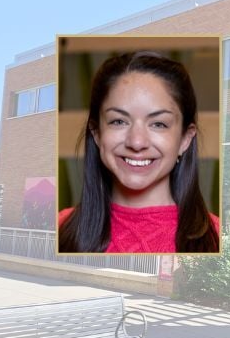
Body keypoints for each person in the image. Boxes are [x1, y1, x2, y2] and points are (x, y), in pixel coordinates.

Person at [58, 51, 219, 253]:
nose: (136, 142)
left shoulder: (219, 238)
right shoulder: (58, 228)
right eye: (118, 121)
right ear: (97, 133)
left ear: (185, 139)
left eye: (159, 124)